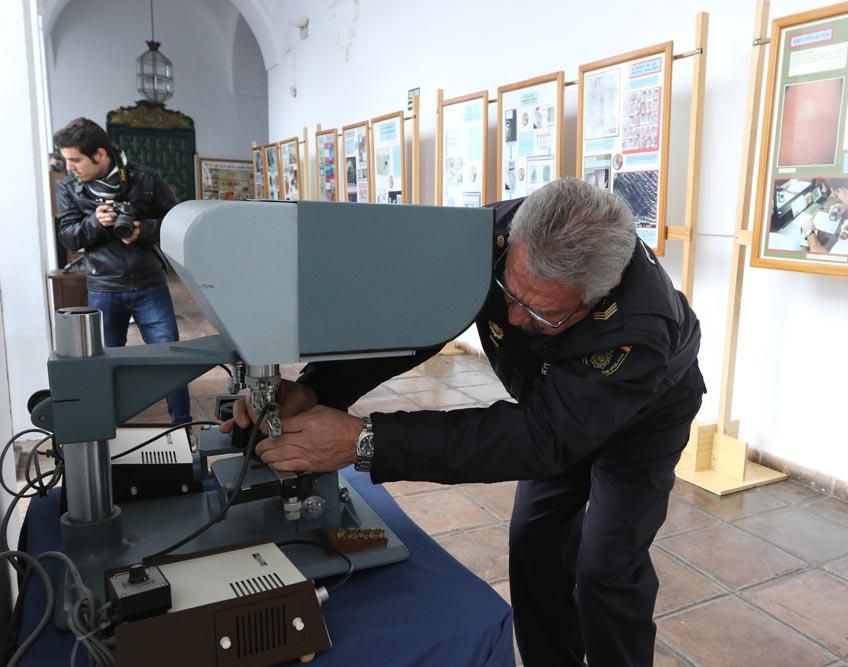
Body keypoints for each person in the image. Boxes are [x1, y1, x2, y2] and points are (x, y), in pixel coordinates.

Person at [226, 177, 705, 666]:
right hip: (553, 405)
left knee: (606, 567)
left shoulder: (639, 328)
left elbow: (542, 437)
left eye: (545, 313)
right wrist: (317, 389)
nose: (516, 321)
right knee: (533, 541)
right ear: (514, 241)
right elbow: (422, 323)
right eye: (510, 294)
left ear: (595, 297)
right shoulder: (489, 234)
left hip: (643, 422)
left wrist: (367, 440)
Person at [53, 117, 191, 425]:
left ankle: (183, 427)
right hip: (103, 287)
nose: (70, 167)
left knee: (172, 360)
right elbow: (69, 236)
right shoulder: (69, 189)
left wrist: (144, 229)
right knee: (105, 365)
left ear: (100, 154)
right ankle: (109, 429)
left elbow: (177, 222)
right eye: (67, 161)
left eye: (75, 160)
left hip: (150, 284)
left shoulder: (145, 178)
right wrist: (95, 223)